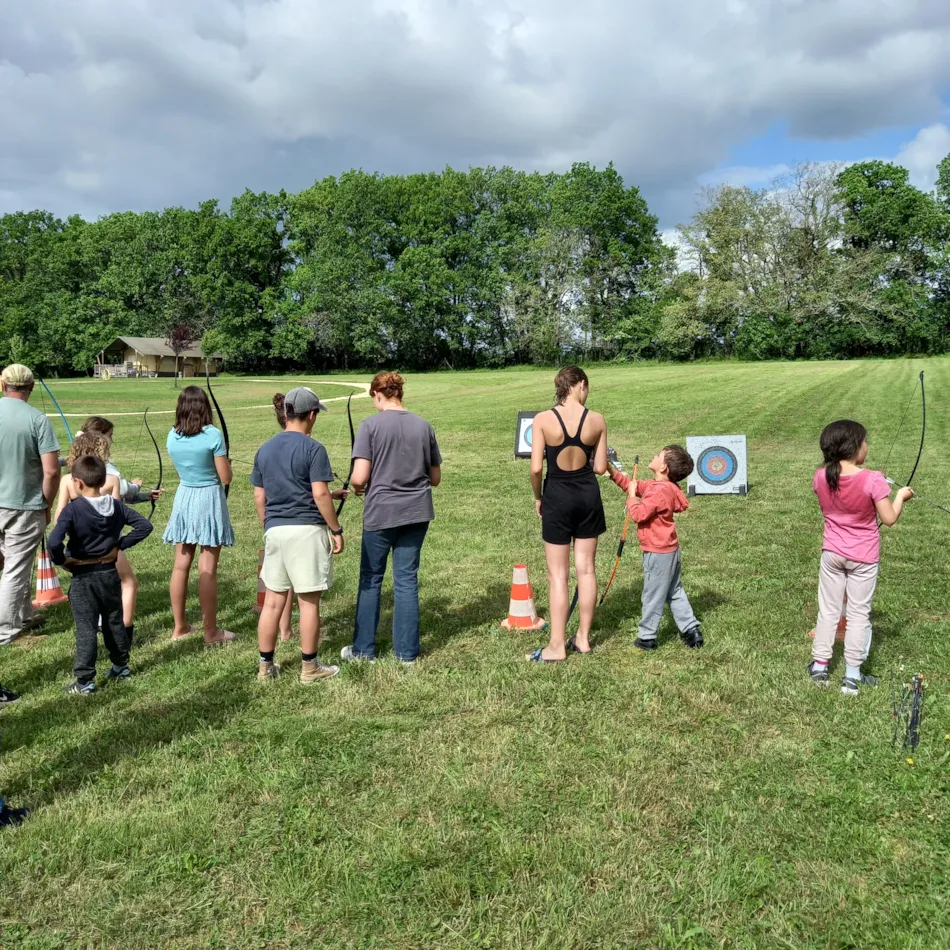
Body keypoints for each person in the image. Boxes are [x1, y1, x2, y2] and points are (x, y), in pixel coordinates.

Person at [342, 372, 442, 664]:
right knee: (406, 580)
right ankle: (407, 654)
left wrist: (358, 487)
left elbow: (360, 476)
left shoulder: (370, 425)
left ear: (377, 395)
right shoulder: (423, 425)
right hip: (416, 511)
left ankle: (363, 651)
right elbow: (435, 477)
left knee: (371, 579)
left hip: (381, 512)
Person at [809, 420, 912, 694]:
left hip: (832, 553)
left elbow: (843, 486)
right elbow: (888, 518)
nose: (867, 446)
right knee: (858, 614)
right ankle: (852, 676)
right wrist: (900, 495)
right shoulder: (872, 480)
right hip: (863, 557)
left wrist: (873, 480)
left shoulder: (820, 476)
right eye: (865, 442)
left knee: (829, 610)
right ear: (854, 447)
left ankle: (820, 667)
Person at [251, 388, 347, 683]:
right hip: (306, 532)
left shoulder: (265, 448)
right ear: (312, 414)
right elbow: (317, 493)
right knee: (308, 602)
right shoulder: (313, 448)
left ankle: (265, 668)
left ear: (286, 413)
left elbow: (260, 497)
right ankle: (310, 667)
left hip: (275, 531)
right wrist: (336, 529)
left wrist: (269, 526)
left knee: (272, 602)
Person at [48, 455, 152, 693]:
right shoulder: (116, 506)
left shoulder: (73, 510)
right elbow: (145, 526)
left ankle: (84, 680)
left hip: (83, 577)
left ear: (78, 483)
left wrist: (62, 560)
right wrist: (119, 545)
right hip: (109, 573)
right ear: (103, 480)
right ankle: (121, 665)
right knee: (113, 619)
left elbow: (54, 541)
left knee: (85, 627)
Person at [527, 366, 607, 662]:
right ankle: (583, 639)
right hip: (588, 495)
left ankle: (557, 646)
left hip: (557, 496)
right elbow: (600, 468)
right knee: (586, 568)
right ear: (581, 385)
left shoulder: (543, 419)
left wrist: (538, 497)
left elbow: (536, 468)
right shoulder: (596, 419)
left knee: (557, 575)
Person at [66, 417, 164, 644]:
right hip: (107, 543)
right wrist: (137, 489)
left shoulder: (73, 474)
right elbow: (118, 508)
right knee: (128, 582)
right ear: (101, 440)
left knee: (91, 584)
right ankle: (124, 636)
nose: (112, 441)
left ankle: (98, 626)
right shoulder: (107, 472)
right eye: (109, 436)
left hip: (80, 544)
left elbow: (62, 514)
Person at [606, 445, 703, 650]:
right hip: (671, 551)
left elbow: (638, 514)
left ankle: (647, 637)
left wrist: (632, 497)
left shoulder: (658, 492)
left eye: (659, 455)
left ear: (664, 468)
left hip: (658, 553)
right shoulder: (664, 487)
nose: (654, 454)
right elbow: (632, 484)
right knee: (674, 591)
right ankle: (691, 630)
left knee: (652, 595)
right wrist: (611, 471)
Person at [162, 386, 236, 647]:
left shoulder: (173, 435)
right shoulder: (213, 435)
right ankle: (211, 631)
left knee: (181, 565)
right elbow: (225, 477)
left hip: (185, 498)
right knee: (207, 569)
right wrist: (227, 464)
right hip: (207, 499)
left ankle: (180, 626)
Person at [0, 364, 61, 647]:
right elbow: (51, 471)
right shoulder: (38, 419)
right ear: (31, 388)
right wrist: (46, 503)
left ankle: (23, 616)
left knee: (15, 565)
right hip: (23, 506)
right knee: (15, 569)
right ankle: (7, 633)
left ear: (3, 385)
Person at [271, 394, 297, 642]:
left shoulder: (270, 446)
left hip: (275, 522)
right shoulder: (306, 446)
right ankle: (286, 629)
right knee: (289, 581)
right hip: (298, 522)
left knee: (277, 583)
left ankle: (284, 630)